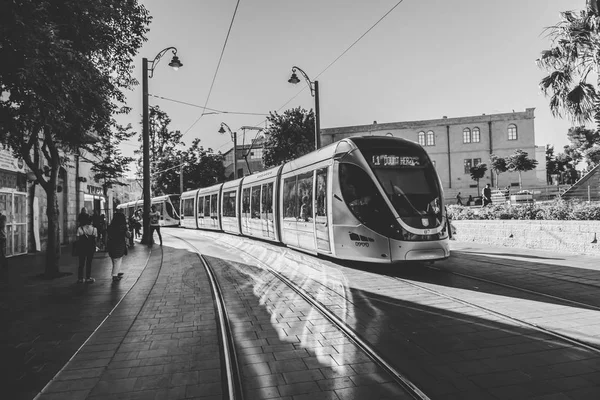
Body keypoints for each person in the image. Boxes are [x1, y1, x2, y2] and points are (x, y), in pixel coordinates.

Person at [107, 213, 131, 282]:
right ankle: (115, 275)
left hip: (111, 244)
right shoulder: (123, 227)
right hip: (119, 244)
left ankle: (116, 272)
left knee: (114, 259)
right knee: (117, 259)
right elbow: (128, 235)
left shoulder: (110, 226)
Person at [76, 214, 97, 283]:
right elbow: (95, 238)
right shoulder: (94, 229)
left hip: (82, 248)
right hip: (90, 248)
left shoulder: (80, 229)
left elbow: (77, 238)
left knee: (81, 263)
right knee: (89, 263)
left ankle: (80, 278)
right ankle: (88, 277)